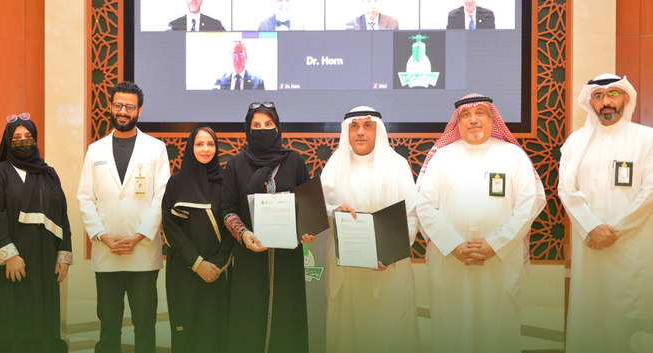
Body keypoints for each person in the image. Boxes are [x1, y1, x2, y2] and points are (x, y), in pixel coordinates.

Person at [416, 94, 546, 353]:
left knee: (498, 327)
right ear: (458, 121)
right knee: (452, 327)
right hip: (451, 260)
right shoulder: (441, 157)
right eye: (466, 114)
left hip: (500, 260)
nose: (473, 119)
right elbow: (424, 206)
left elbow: (529, 203)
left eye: (480, 113)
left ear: (492, 118)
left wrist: (495, 245)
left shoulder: (513, 155)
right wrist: (453, 245)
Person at [559, 74, 653, 353]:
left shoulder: (647, 138)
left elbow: (650, 191)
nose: (606, 102)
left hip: (634, 247)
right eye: (599, 96)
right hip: (591, 247)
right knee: (593, 313)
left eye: (613, 94)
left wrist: (614, 229)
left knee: (631, 312)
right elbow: (566, 189)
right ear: (591, 103)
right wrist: (591, 227)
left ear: (626, 98)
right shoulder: (576, 142)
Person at [77, 81, 170, 353]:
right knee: (108, 327)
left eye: (130, 107)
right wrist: (102, 236)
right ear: (110, 106)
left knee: (144, 325)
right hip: (107, 253)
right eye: (118, 105)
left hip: (142, 253)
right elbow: (85, 198)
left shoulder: (156, 148)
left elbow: (161, 197)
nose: (123, 112)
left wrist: (139, 236)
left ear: (139, 110)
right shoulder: (96, 150)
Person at [320, 106, 421, 353]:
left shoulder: (397, 164)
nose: (361, 132)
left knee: (388, 332)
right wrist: (335, 211)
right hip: (347, 271)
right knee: (348, 333)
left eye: (368, 126)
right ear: (347, 132)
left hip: (388, 267)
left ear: (379, 130)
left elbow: (411, 214)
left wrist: (390, 252)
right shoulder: (335, 164)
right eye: (354, 126)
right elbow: (320, 209)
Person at [221, 102, 315, 353]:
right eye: (257, 125)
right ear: (248, 129)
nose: (263, 130)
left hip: (287, 259)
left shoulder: (294, 161)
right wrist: (243, 233)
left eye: (268, 124)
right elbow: (227, 209)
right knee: (249, 321)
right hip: (250, 256)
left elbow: (306, 205)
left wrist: (307, 229)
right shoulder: (235, 164)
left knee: (287, 318)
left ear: (278, 127)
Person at [0, 114, 72, 353]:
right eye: (17, 137)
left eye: (28, 137)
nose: (23, 141)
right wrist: (9, 255)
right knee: (11, 319)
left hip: (44, 260)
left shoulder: (48, 173)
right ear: (8, 141)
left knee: (42, 319)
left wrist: (64, 252)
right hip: (11, 265)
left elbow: (62, 213)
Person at [161, 125, 233, 352]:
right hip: (185, 269)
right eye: (199, 144)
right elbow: (170, 227)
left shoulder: (227, 182)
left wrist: (218, 264)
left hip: (218, 272)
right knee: (187, 335)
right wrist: (197, 263)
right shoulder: (176, 183)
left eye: (210, 144)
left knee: (217, 332)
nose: (205, 149)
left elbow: (234, 222)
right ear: (191, 147)